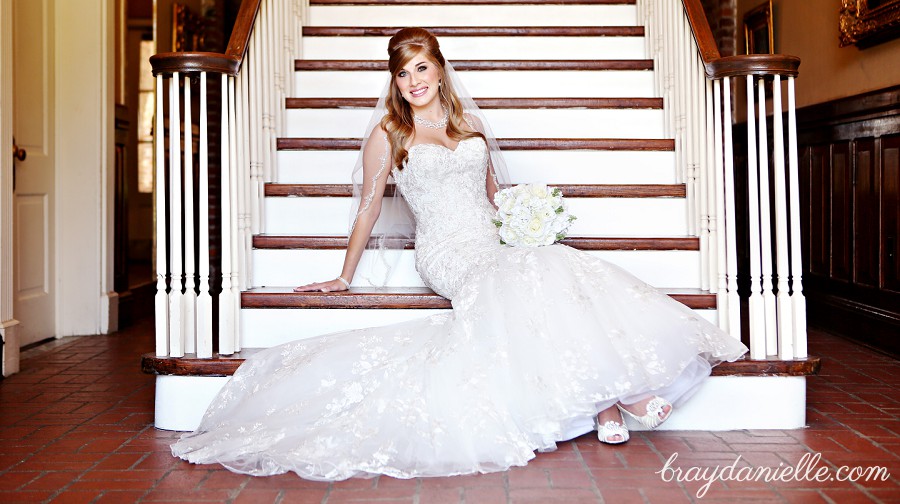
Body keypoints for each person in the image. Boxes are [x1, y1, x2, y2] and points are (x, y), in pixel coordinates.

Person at [171, 28, 748, 480]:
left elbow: (495, 194)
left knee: (552, 263)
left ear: (440, 68)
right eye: (403, 74)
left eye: (422, 67)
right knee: (523, 277)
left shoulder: (469, 122)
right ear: (394, 83)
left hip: (491, 237)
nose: (415, 81)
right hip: (446, 251)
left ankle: (608, 404)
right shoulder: (388, 135)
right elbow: (369, 209)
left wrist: (530, 221)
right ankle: (616, 398)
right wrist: (343, 277)